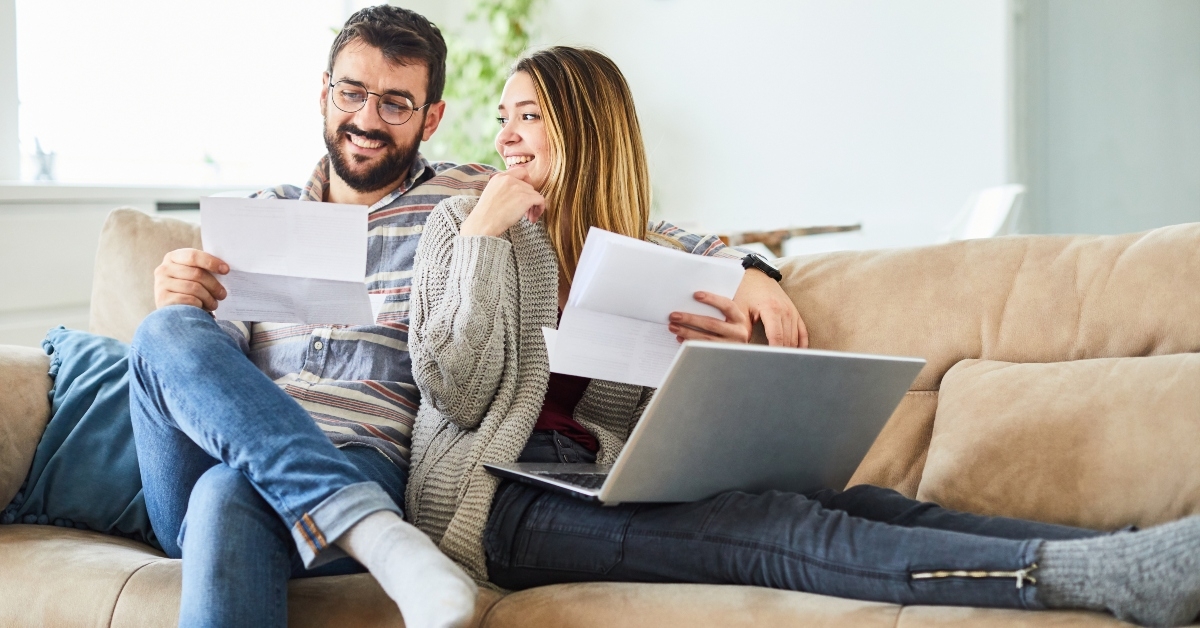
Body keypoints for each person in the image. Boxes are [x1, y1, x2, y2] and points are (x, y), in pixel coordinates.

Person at [404, 46, 1200, 628]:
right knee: (777, 532)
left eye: (529, 116)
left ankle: (1135, 551)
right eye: (502, 117)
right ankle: (1088, 575)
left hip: (608, 477)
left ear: (586, 127)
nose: (506, 136)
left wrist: (751, 279)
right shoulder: (460, 224)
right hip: (501, 504)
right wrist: (481, 236)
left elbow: (706, 252)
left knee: (865, 503)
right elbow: (457, 392)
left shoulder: (637, 242)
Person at [127, 6, 806, 628]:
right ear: (323, 94)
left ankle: (359, 516)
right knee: (163, 331)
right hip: (228, 448)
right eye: (352, 93)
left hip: (363, 455)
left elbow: (615, 212)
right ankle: (367, 529)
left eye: (396, 103)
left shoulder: (470, 197)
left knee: (226, 495)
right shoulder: (255, 212)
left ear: (431, 118)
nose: (367, 117)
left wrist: (751, 269)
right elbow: (200, 372)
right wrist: (184, 303)